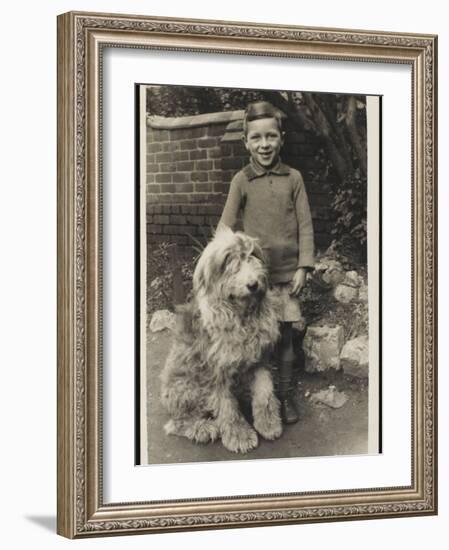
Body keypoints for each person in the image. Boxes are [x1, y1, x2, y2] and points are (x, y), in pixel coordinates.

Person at [219, 100, 315, 424]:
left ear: (281, 138)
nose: (264, 144)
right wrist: (226, 264)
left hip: (287, 277)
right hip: (255, 281)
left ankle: (285, 396)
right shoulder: (242, 180)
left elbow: (305, 225)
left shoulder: (294, 178)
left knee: (285, 338)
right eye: (256, 138)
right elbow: (225, 228)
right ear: (246, 141)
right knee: (260, 342)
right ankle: (261, 398)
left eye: (270, 136)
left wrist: (304, 266)